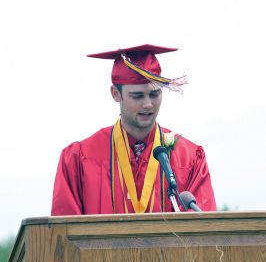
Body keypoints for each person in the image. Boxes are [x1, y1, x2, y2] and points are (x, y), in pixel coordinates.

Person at [51, 44, 216, 215]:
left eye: (155, 94)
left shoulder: (189, 158)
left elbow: (205, 227)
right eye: (137, 96)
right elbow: (64, 233)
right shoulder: (79, 158)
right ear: (115, 94)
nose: (148, 104)